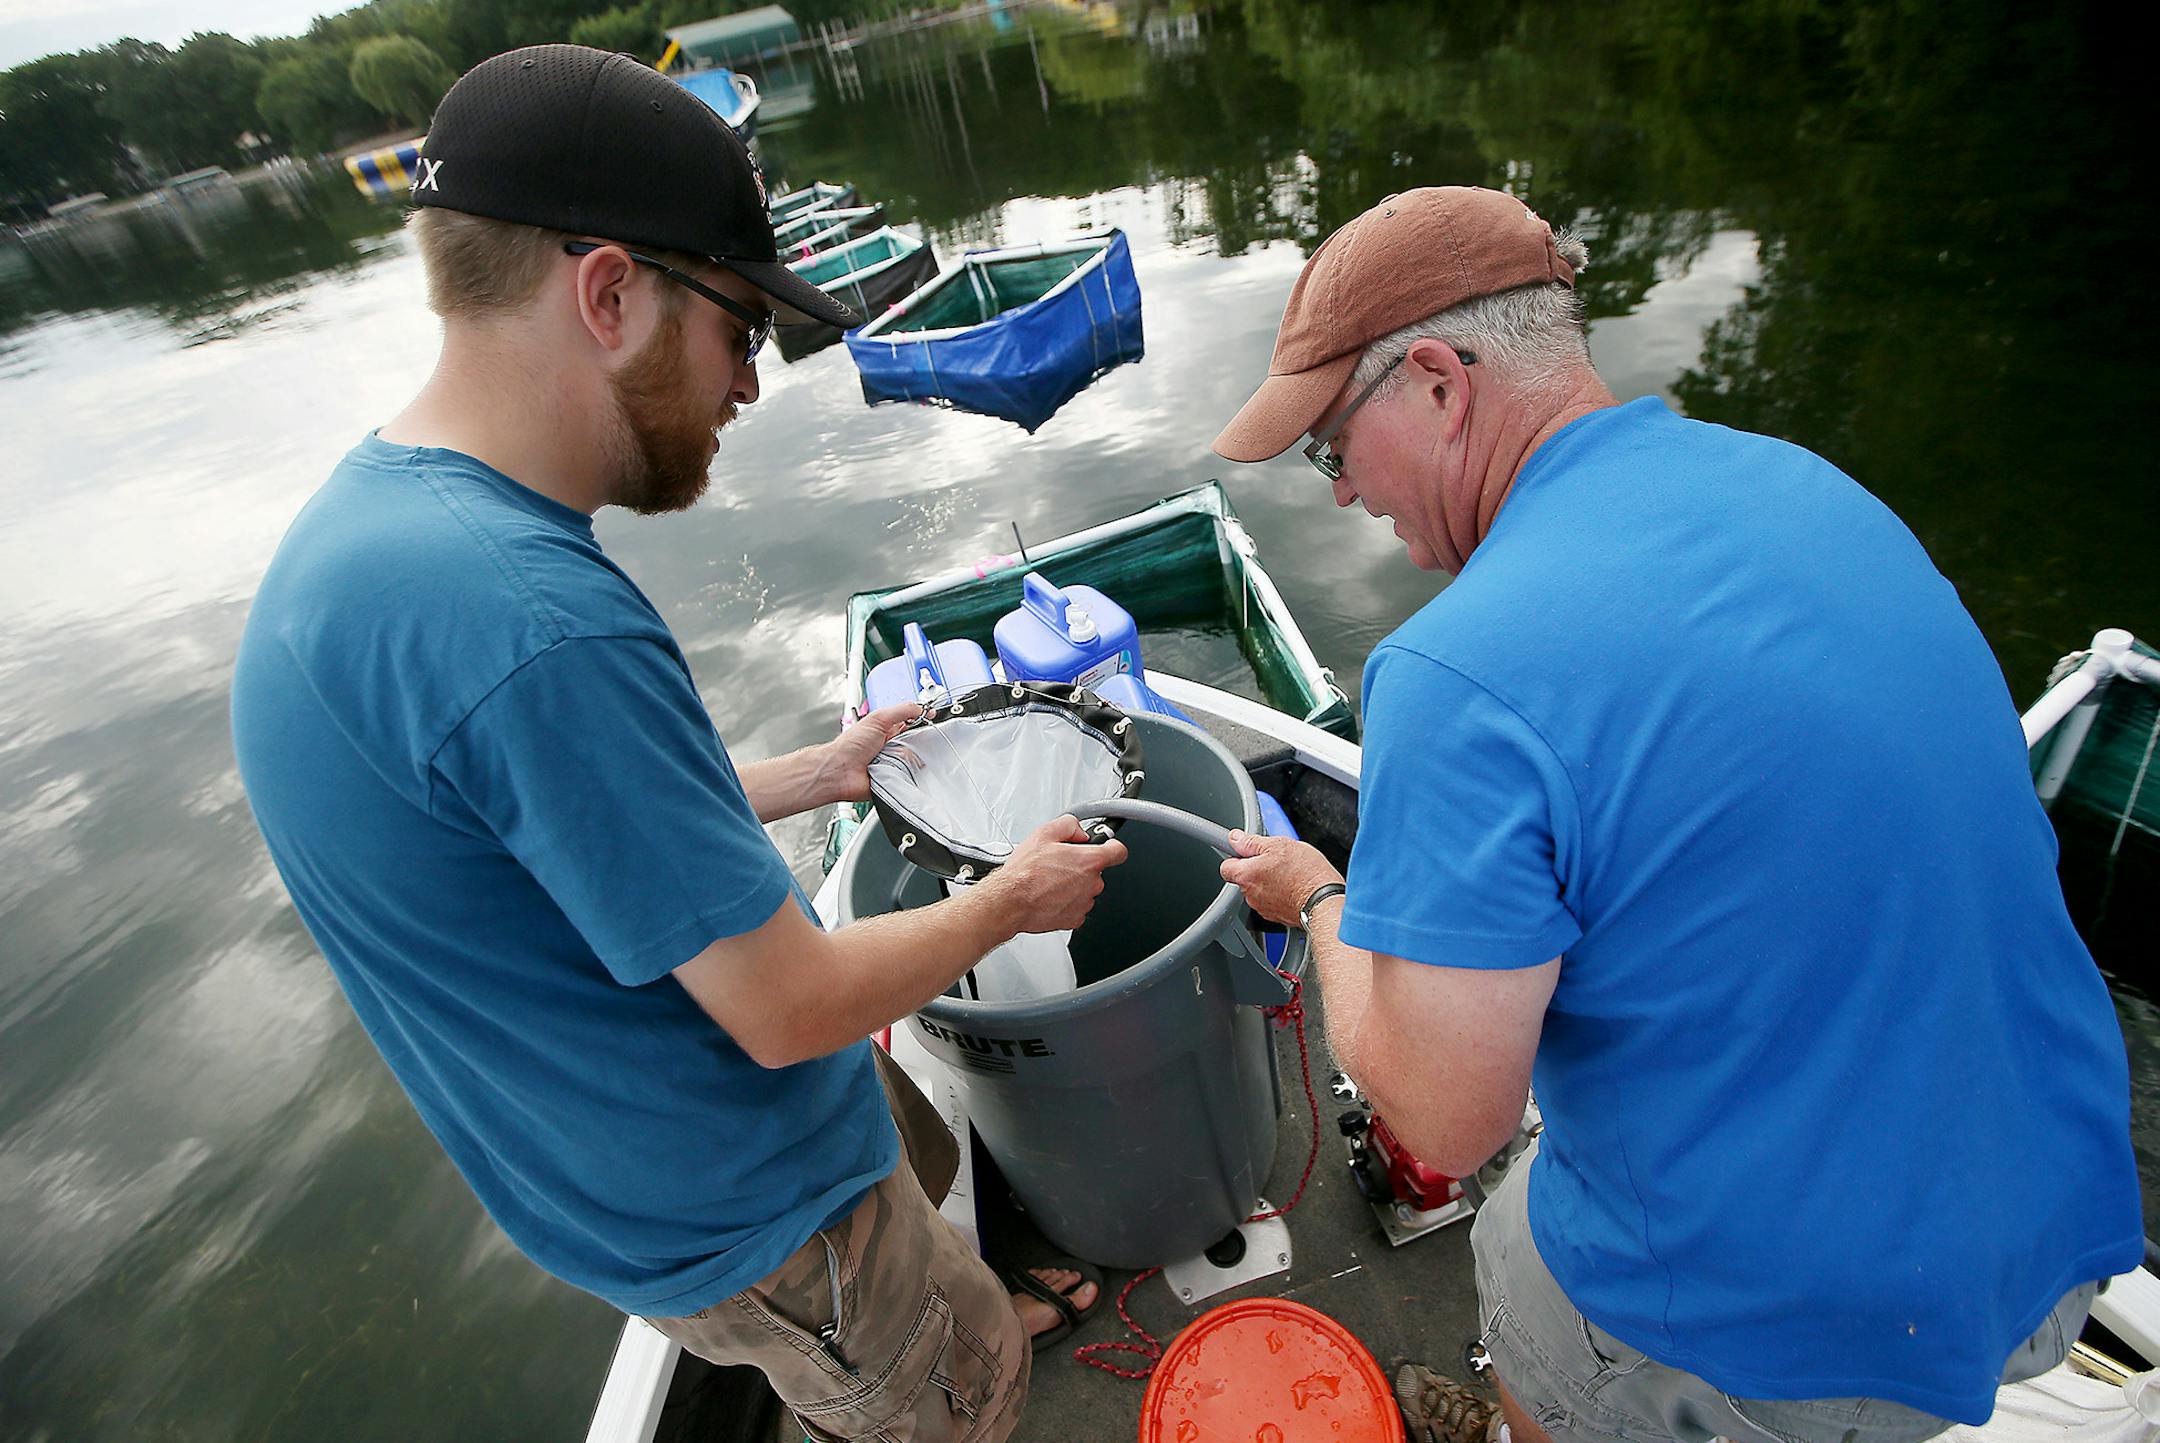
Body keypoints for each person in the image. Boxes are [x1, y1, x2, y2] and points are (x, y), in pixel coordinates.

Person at [230, 45, 1112, 1443]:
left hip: (615, 1181)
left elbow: (549, 837)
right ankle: (980, 1330)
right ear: (608, 293)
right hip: (757, 1203)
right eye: (743, 329)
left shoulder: (372, 535)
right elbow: (789, 1005)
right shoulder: (533, 622)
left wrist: (809, 776)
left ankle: (973, 1278)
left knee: (931, 1206)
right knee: (965, 1377)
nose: (751, 386)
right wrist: (1013, 896)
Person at [1209, 185, 2142, 1443]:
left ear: (1439, 380)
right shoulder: (1810, 484)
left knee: (1514, 1246)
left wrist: (1322, 902)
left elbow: (1441, 1120)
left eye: (1334, 447)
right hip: (2060, 1222)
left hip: (1815, 1325)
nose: (1338, 494)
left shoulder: (1453, 671)